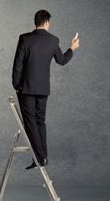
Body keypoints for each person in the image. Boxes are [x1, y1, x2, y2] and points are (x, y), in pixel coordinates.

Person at [12, 10, 80, 170]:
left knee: (30, 123)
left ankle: (40, 157)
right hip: (43, 89)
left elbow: (18, 65)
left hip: (26, 88)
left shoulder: (25, 39)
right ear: (47, 23)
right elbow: (62, 60)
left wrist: (16, 85)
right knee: (40, 121)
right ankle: (42, 157)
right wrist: (72, 48)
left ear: (35, 22)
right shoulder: (53, 40)